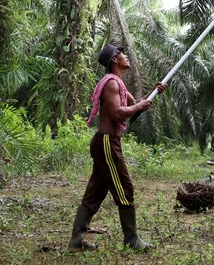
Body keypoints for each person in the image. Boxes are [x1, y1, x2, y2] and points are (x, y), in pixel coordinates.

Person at [68, 44, 166, 251]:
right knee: (124, 187)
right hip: (106, 142)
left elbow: (138, 104)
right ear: (114, 59)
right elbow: (117, 113)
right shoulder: (111, 83)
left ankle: (76, 242)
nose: (126, 56)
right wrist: (139, 106)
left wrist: (154, 92)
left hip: (107, 142)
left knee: (95, 191)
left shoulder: (119, 84)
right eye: (122, 54)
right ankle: (132, 240)